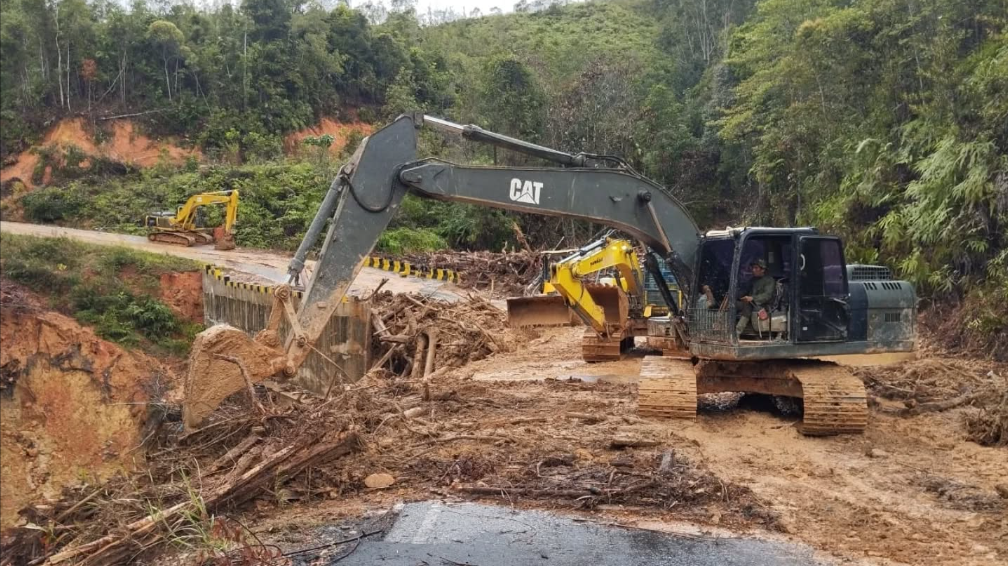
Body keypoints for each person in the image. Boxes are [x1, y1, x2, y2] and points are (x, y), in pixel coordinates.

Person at [736, 259, 774, 336]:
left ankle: (737, 332)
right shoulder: (753, 280)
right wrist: (736, 296)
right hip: (751, 303)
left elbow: (767, 295)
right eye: (753, 268)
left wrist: (753, 298)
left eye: (756, 268)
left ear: (763, 270)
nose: (753, 270)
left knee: (748, 306)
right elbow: (744, 290)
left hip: (763, 305)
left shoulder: (769, 280)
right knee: (733, 304)